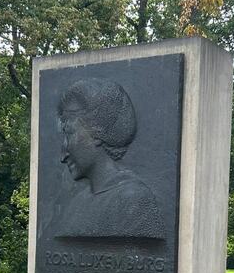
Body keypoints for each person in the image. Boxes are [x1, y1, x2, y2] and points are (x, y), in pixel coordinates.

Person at [52, 78, 165, 241]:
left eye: (69, 134)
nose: (63, 155)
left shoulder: (135, 201)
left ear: (98, 132)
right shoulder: (77, 204)